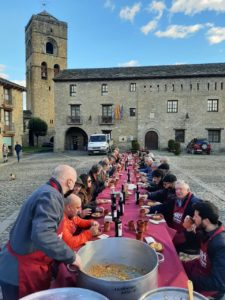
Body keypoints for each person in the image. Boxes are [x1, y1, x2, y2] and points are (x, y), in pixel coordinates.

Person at [0, 165, 82, 300]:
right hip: (20, 272)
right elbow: (42, 234)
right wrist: (72, 257)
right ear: (70, 182)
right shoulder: (51, 195)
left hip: (27, 266)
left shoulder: (47, 191)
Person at [182, 201, 225, 299]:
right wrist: (189, 230)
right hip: (200, 269)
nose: (193, 218)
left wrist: (190, 278)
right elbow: (194, 247)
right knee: (174, 265)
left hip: (210, 290)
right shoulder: (206, 230)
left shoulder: (221, 246)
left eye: (196, 216)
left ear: (206, 220)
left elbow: (219, 283)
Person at [146, 180, 201, 252]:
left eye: (180, 189)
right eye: (176, 189)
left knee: (165, 247)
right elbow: (164, 207)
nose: (178, 191)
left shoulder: (194, 203)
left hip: (185, 235)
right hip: (174, 230)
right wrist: (149, 210)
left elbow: (200, 221)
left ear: (188, 190)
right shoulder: (175, 199)